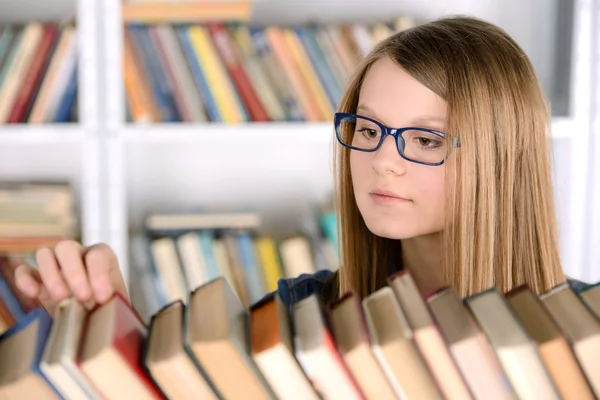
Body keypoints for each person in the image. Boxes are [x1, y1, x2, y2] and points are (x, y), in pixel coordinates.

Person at [13, 16, 590, 316]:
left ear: (502, 158)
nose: (384, 162)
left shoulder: (586, 332)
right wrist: (110, 324)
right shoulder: (302, 310)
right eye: (368, 130)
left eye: (426, 139)